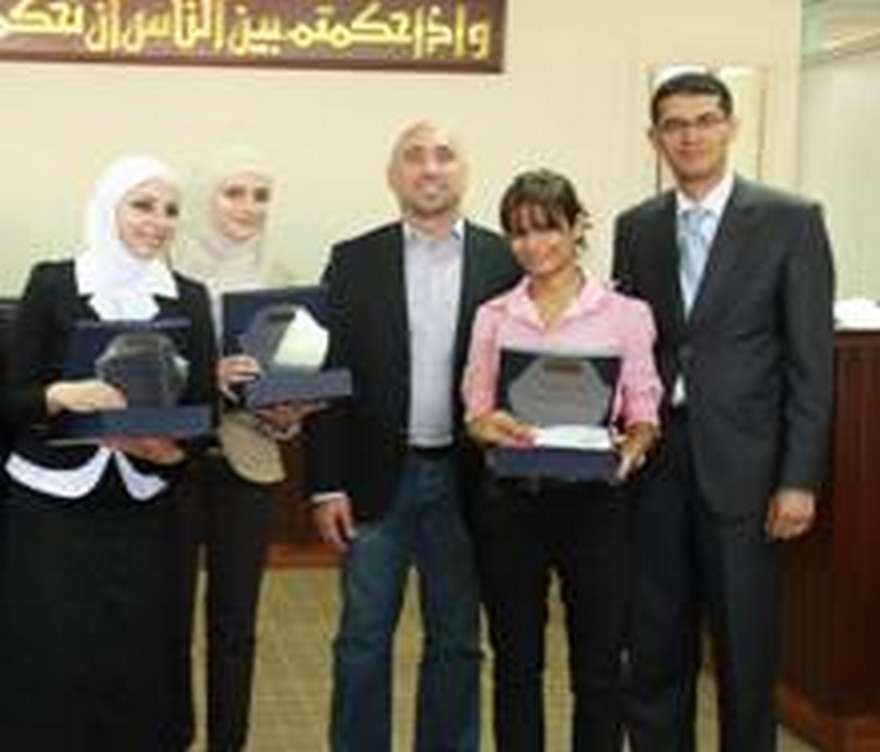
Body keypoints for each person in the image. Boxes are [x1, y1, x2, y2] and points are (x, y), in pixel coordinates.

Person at [612, 71, 835, 751]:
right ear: (654, 138)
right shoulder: (637, 227)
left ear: (731, 127)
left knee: (745, 649)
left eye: (705, 120)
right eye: (674, 125)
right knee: (655, 645)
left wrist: (799, 479)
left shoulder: (792, 220)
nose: (691, 136)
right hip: (657, 464)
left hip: (748, 469)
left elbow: (810, 362)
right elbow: (632, 346)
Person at [305, 120, 521, 751]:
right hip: (374, 479)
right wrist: (325, 484)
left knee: (457, 641)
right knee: (362, 639)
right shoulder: (353, 259)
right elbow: (329, 376)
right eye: (415, 157)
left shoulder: (504, 260)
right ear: (393, 175)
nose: (430, 168)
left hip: (468, 480)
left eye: (445, 155)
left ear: (465, 171)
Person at [0, 155, 216, 751]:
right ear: (107, 208)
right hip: (50, 503)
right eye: (142, 206)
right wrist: (58, 396)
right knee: (52, 647)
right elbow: (12, 399)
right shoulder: (53, 283)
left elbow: (204, 415)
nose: (158, 221)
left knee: (135, 650)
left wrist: (169, 454)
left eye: (170, 210)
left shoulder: (189, 296)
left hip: (142, 501)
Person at [462, 169, 662, 751]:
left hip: (596, 505)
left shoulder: (626, 314)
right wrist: (485, 427)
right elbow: (475, 408)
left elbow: (644, 406)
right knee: (515, 665)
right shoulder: (493, 315)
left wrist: (635, 444)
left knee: (599, 668)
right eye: (519, 233)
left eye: (547, 228)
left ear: (577, 227)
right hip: (513, 504)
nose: (534, 245)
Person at [172, 147, 312, 752]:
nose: (248, 207)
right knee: (165, 620)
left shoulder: (281, 275)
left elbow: (290, 380)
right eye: (233, 192)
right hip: (167, 463)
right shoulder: (162, 269)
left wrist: (288, 414)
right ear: (203, 196)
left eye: (261, 195)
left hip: (248, 462)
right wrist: (208, 377)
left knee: (236, 625)